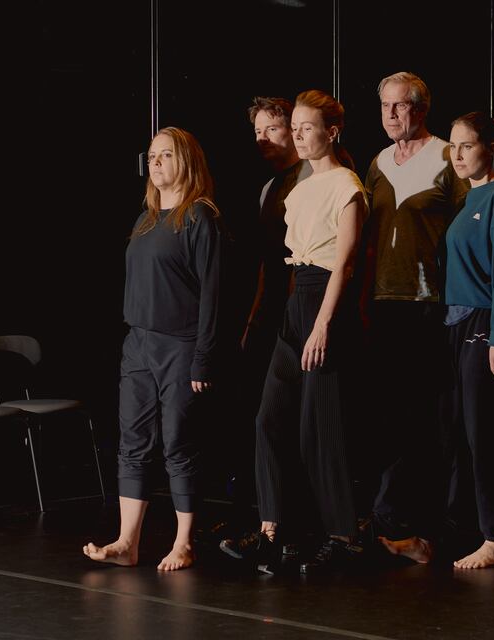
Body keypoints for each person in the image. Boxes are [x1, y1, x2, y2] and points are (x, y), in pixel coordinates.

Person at [84, 126, 222, 571]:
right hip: (138, 345)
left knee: (178, 441)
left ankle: (184, 542)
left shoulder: (199, 217)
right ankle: (127, 543)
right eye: (151, 155)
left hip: (180, 346)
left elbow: (213, 296)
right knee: (133, 441)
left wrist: (203, 358)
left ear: (187, 161)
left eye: (165, 154)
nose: (155, 162)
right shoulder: (144, 219)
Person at [252, 89, 368, 573]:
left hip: (327, 304)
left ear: (331, 132)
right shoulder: (298, 189)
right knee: (269, 420)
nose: (298, 136)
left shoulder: (347, 185)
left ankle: (343, 537)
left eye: (307, 128)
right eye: (294, 128)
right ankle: (274, 531)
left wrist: (322, 326)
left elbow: (345, 265)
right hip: (296, 301)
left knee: (319, 429)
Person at [362, 71, 468, 564]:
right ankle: (390, 521)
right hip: (384, 304)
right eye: (384, 105)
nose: (390, 114)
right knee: (390, 418)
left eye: (400, 105)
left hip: (432, 304)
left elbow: (468, 231)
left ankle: (434, 529)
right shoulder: (379, 163)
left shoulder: (447, 157)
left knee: (433, 421)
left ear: (421, 109)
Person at [216, 97, 312, 556]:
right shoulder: (269, 186)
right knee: (257, 416)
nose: (262, 139)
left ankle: (290, 525)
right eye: (257, 131)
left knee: (287, 420)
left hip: (302, 312)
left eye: (272, 128)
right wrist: (253, 319)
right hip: (271, 313)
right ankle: (258, 516)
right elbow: (265, 263)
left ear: (294, 130)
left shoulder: (310, 177)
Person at [442, 112, 494, 569]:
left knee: (482, 433)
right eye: (453, 147)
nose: (457, 155)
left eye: (467, 146)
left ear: (490, 149)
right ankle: (463, 525)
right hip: (455, 322)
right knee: (458, 432)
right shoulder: (467, 197)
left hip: (483, 321)